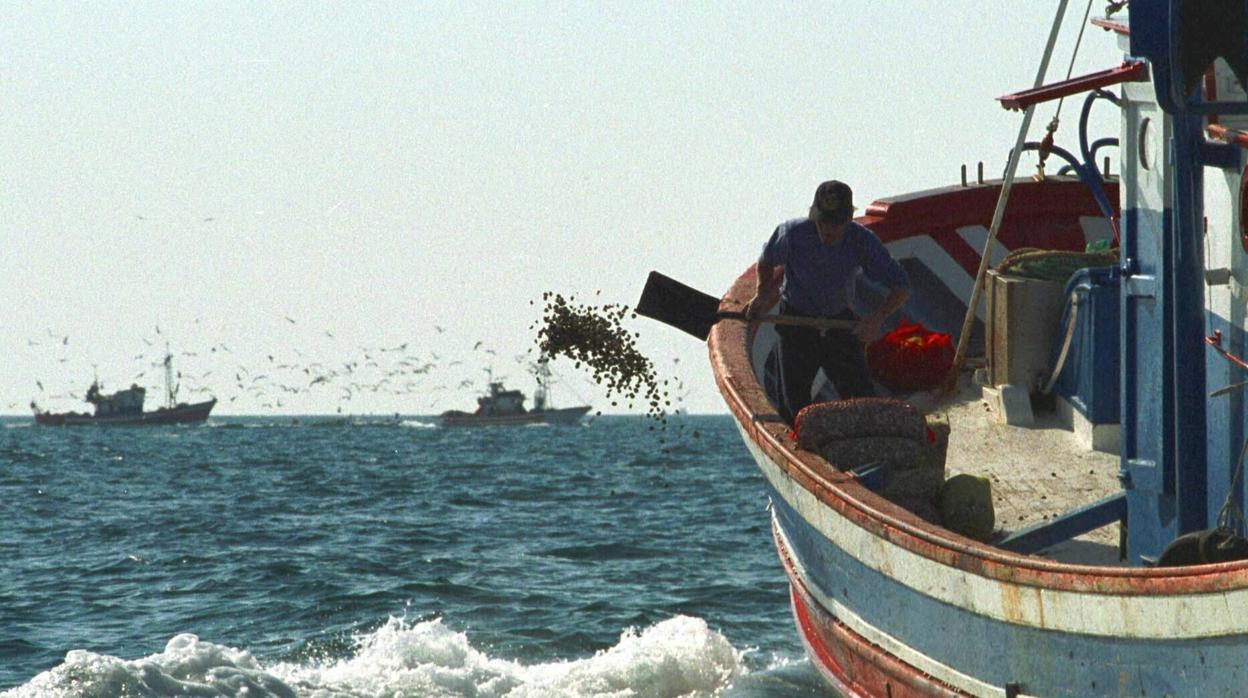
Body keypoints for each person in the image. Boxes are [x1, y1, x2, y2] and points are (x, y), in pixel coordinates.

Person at [745, 180, 911, 424]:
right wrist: (762, 294)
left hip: (839, 325)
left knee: (863, 401)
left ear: (847, 220)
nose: (826, 230)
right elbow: (767, 261)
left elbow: (901, 285)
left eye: (835, 224)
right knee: (794, 409)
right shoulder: (793, 233)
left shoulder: (862, 241)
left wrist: (876, 319)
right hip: (796, 324)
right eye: (822, 222)